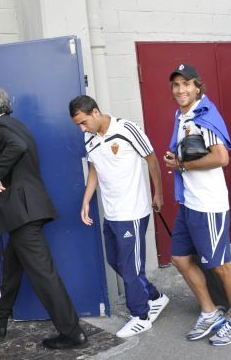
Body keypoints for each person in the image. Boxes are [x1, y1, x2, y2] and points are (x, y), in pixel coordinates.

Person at [0, 86, 87, 349]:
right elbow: (21, 146)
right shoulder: (15, 124)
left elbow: (18, 147)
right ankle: (0, 319)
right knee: (13, 268)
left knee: (44, 275)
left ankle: (72, 333)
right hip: (26, 211)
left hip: (22, 213)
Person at [69, 95, 169, 337]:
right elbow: (94, 169)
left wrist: (158, 194)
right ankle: (155, 297)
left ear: (95, 112)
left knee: (131, 268)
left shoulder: (126, 128)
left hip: (132, 210)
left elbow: (152, 159)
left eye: (83, 122)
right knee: (116, 260)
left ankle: (141, 315)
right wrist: (86, 200)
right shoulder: (89, 138)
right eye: (78, 125)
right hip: (111, 212)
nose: (82, 128)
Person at [164, 63, 231, 346]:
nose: (180, 90)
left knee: (221, 265)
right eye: (176, 85)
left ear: (197, 86)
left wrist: (181, 164)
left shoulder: (204, 116)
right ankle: (210, 311)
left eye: (186, 84)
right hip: (189, 203)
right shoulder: (182, 116)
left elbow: (221, 158)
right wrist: (177, 161)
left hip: (209, 205)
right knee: (179, 258)